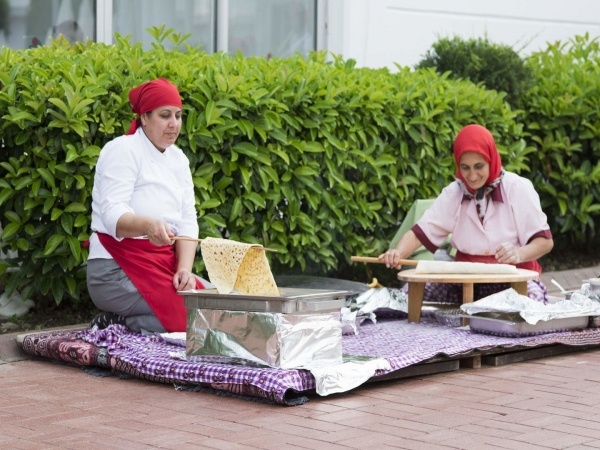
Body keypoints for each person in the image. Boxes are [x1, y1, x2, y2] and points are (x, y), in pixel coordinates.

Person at [86, 78, 210, 333]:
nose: (174, 123)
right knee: (192, 319)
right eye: (165, 115)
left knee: (218, 305)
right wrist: (148, 225)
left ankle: (132, 322)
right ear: (144, 117)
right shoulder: (122, 149)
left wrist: (184, 270)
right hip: (114, 270)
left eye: (178, 115)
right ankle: (120, 324)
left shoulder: (179, 159)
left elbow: (188, 220)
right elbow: (112, 214)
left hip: (162, 264)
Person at [380, 123, 554, 303]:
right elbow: (420, 234)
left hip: (514, 278)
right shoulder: (454, 193)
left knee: (533, 301)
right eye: (465, 167)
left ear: (491, 160)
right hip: (465, 280)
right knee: (406, 297)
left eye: (479, 166)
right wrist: (397, 253)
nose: (472, 176)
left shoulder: (517, 188)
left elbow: (545, 242)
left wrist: (519, 253)